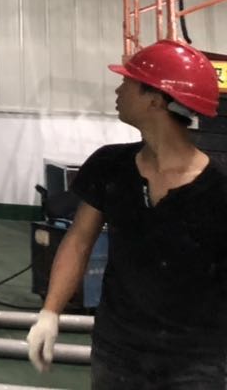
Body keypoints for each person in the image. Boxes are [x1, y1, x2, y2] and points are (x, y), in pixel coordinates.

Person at [26, 39, 227, 388]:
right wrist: (50, 313)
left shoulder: (219, 188)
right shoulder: (110, 165)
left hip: (196, 363)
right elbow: (78, 240)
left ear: (155, 99)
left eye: (128, 82)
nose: (118, 90)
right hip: (117, 352)